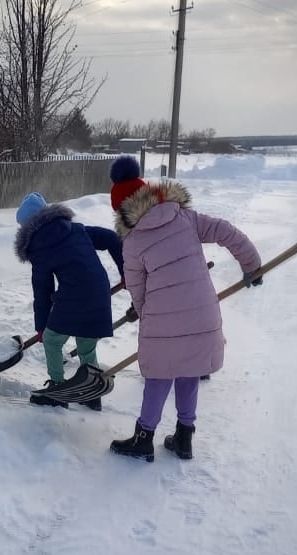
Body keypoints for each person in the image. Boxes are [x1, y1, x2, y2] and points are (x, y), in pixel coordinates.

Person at [105, 156, 262, 462]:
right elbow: (226, 231)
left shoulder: (133, 242)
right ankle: (184, 437)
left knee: (159, 374)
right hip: (203, 311)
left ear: (123, 211)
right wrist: (251, 263)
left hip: (162, 320)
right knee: (190, 367)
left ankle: (143, 438)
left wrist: (146, 314)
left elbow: (137, 291)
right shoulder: (184, 217)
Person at [13, 191, 124, 411]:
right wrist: (126, 271)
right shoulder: (76, 229)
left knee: (53, 341)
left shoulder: (38, 250)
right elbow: (112, 238)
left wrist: (42, 327)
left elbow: (43, 292)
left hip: (75, 296)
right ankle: (91, 393)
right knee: (86, 343)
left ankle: (57, 389)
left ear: (26, 227)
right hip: (99, 292)